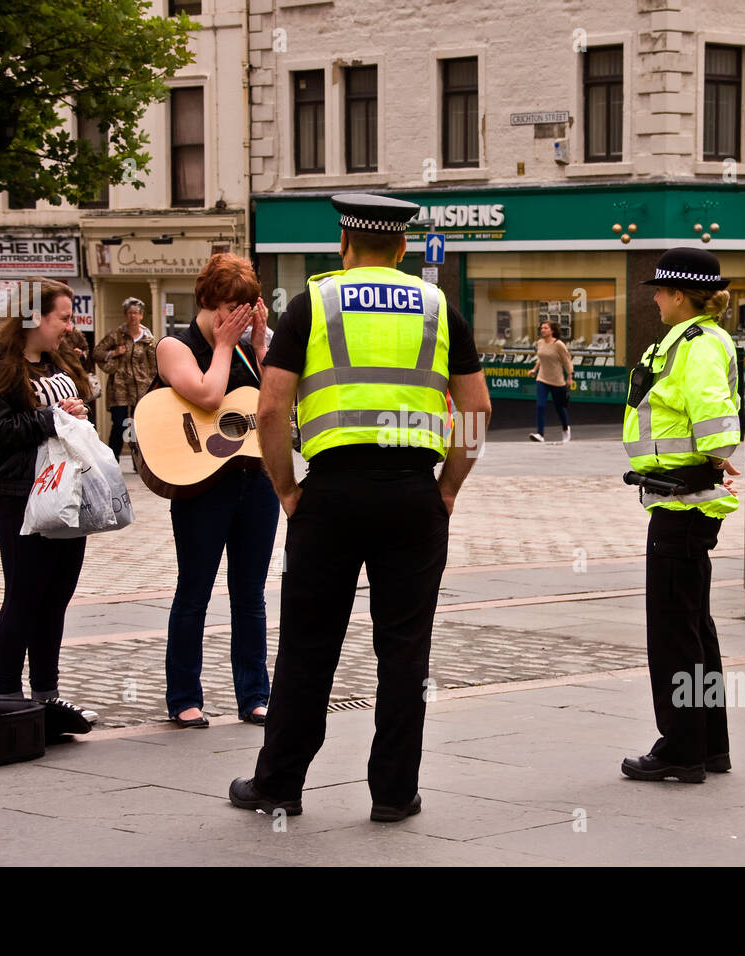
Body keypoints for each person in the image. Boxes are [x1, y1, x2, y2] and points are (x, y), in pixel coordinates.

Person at [228, 192, 491, 822]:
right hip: (411, 494)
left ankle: (280, 785)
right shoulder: (438, 309)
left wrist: (287, 488)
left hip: (332, 495)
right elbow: (477, 412)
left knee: (307, 645)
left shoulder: (310, 305)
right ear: (402, 249)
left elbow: (269, 410)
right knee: (405, 650)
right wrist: (448, 487)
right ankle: (395, 793)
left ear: (343, 247)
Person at [620, 247, 742, 784]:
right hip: (680, 497)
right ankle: (709, 743)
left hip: (682, 501)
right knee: (695, 627)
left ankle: (680, 749)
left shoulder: (699, 345)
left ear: (680, 295)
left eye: (661, 290)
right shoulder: (694, 340)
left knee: (673, 632)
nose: (655, 297)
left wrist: (718, 455)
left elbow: (713, 407)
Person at [154, 254, 278, 729]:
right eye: (230, 307)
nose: (237, 319)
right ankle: (184, 697)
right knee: (195, 591)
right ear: (207, 300)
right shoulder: (175, 345)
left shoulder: (248, 347)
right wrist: (225, 344)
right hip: (202, 486)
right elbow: (207, 395)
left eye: (246, 308)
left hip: (254, 481)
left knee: (250, 594)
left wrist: (261, 345)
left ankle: (255, 695)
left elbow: (273, 404)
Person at [0, 277, 98, 721]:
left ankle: (46, 694)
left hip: (67, 491)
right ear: (33, 317)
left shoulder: (61, 364)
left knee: (57, 595)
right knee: (24, 594)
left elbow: (75, 417)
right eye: (63, 317)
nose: (69, 325)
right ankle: (7, 697)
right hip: (18, 495)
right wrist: (52, 417)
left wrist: (76, 414)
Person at [93, 297, 157, 460]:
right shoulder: (116, 336)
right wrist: (113, 353)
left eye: (136, 313)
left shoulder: (148, 339)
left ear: (141, 315)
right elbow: (96, 353)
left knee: (137, 425)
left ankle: (139, 461)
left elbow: (154, 364)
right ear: (125, 315)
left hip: (140, 388)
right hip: (119, 387)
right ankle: (113, 459)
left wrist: (152, 383)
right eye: (129, 313)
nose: (132, 316)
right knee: (120, 423)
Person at [526, 319, 573, 443]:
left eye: (546, 328)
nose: (543, 330)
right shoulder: (540, 343)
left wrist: (569, 377)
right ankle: (540, 434)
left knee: (560, 408)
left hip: (557, 381)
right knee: (540, 405)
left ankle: (565, 428)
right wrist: (534, 370)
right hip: (542, 379)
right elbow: (541, 358)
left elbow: (567, 361)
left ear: (552, 331)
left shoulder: (559, 344)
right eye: (542, 328)